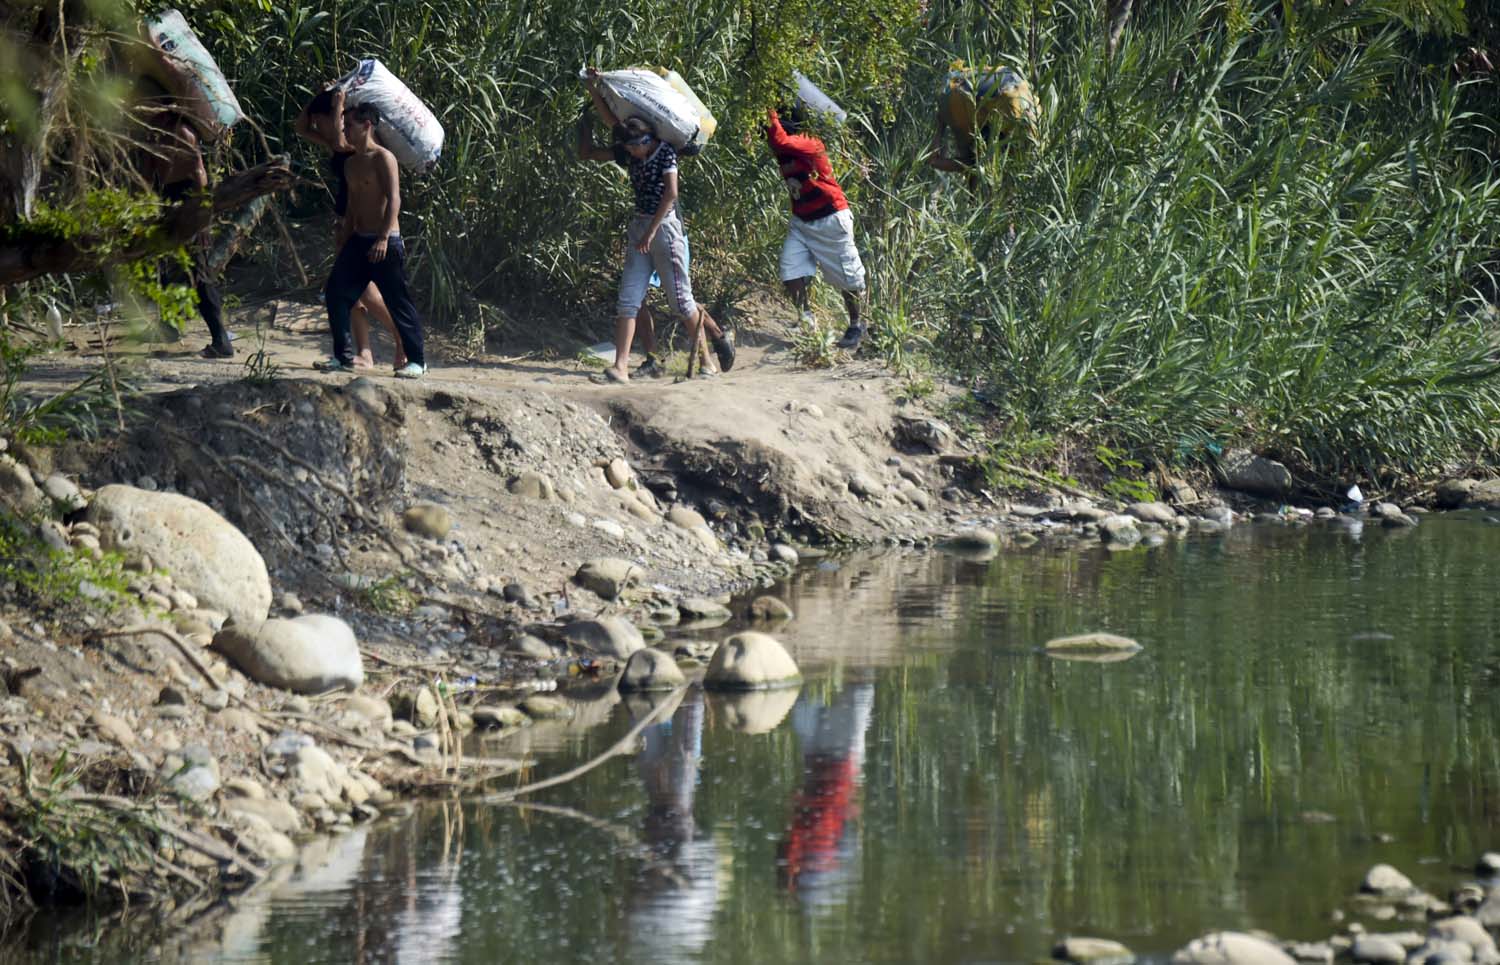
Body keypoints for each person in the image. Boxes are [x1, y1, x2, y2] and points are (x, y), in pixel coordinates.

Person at [582, 68, 731, 383]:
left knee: (680, 301)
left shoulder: (666, 154)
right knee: (629, 298)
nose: (631, 152)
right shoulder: (632, 150)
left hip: (664, 229)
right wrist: (592, 87)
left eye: (634, 146)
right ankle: (621, 368)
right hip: (641, 228)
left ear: (647, 139)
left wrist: (650, 233)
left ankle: (707, 362)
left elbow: (671, 193)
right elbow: (611, 120)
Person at [295, 86, 406, 371]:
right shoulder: (335, 142)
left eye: (323, 120)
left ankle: (400, 339)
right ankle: (364, 354)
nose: (318, 126)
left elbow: (342, 137)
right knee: (351, 293)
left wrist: (338, 105)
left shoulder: (354, 143)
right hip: (346, 220)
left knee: (365, 291)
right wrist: (317, 99)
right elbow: (300, 126)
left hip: (365, 222)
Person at [315, 103, 426, 377]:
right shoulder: (351, 163)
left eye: (349, 125)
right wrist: (345, 235)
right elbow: (353, 204)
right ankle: (343, 357)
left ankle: (417, 361)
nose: (345, 131)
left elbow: (394, 199)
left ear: (367, 126)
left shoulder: (383, 158)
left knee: (397, 300)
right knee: (336, 292)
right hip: (358, 239)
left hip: (385, 242)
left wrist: (383, 238)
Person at [766, 106, 869, 352]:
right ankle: (807, 319)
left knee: (849, 278)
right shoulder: (784, 151)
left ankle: (857, 325)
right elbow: (776, 141)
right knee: (790, 271)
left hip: (831, 218)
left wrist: (767, 107)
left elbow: (778, 138)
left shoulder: (811, 142)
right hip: (802, 222)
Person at [141, 107, 232, 359]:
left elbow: (199, 173)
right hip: (168, 200)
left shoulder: (182, 132)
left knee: (199, 273)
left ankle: (221, 340)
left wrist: (202, 221)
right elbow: (148, 176)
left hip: (189, 198)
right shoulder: (153, 134)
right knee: (168, 267)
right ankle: (169, 327)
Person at [928, 63, 1039, 176]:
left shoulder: (1033, 108)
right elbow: (934, 161)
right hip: (957, 92)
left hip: (1012, 81)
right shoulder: (1015, 148)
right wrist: (940, 125)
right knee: (970, 164)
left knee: (972, 162)